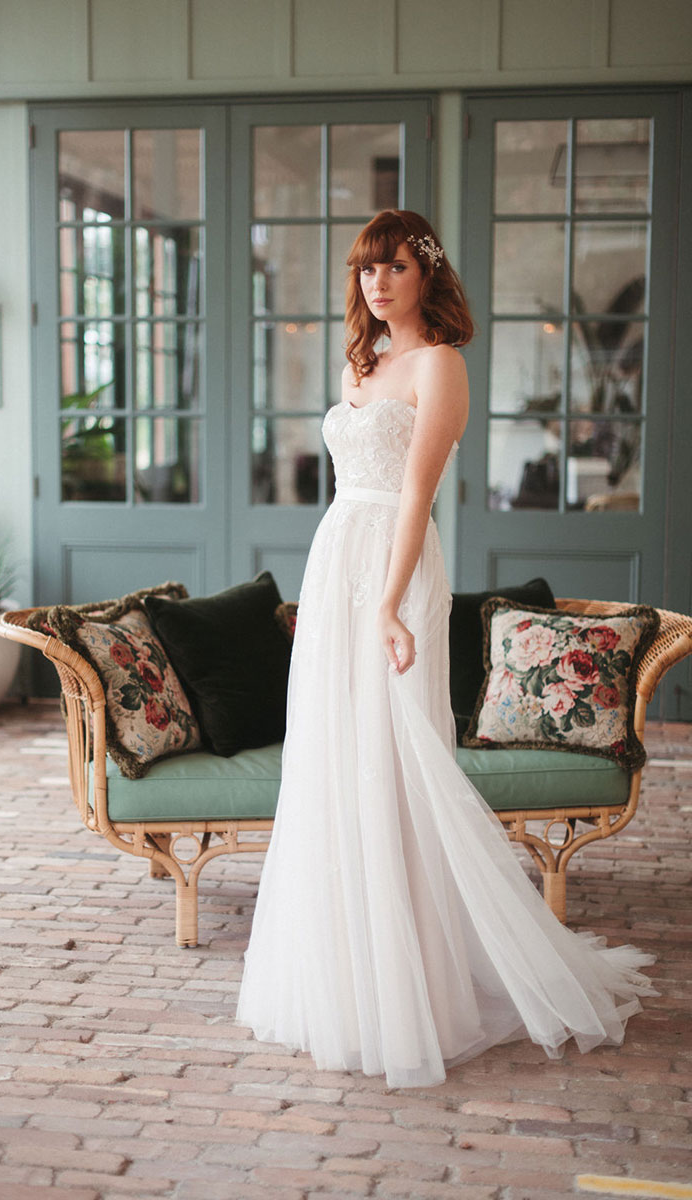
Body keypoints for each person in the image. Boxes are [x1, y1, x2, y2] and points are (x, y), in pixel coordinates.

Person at [235, 209, 656, 1089]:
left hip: (394, 567)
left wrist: (386, 607)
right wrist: (332, 601)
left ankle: (414, 986)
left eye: (392, 267)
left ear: (426, 274)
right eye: (364, 270)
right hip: (338, 559)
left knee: (392, 762)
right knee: (333, 761)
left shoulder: (440, 366)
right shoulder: (365, 364)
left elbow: (414, 499)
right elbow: (350, 495)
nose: (376, 283)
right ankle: (344, 975)